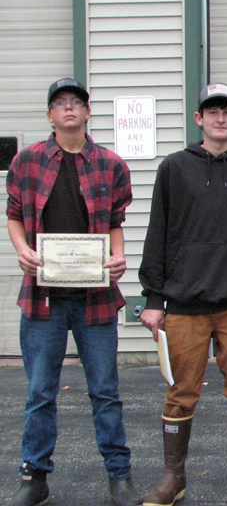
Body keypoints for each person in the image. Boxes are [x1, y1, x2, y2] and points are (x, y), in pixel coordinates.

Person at [139, 83, 227, 506]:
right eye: (212, 111)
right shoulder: (175, 167)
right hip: (183, 306)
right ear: (198, 119)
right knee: (180, 394)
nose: (220, 118)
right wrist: (152, 298)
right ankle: (173, 478)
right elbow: (157, 234)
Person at [5, 78, 141, 506]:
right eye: (60, 104)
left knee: (105, 391)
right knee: (40, 392)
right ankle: (35, 477)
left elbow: (116, 221)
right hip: (43, 298)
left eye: (76, 103)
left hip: (94, 300)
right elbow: (12, 216)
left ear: (86, 113)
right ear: (49, 115)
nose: (68, 109)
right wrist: (23, 249)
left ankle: (119, 475)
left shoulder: (111, 163)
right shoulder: (26, 162)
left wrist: (118, 259)